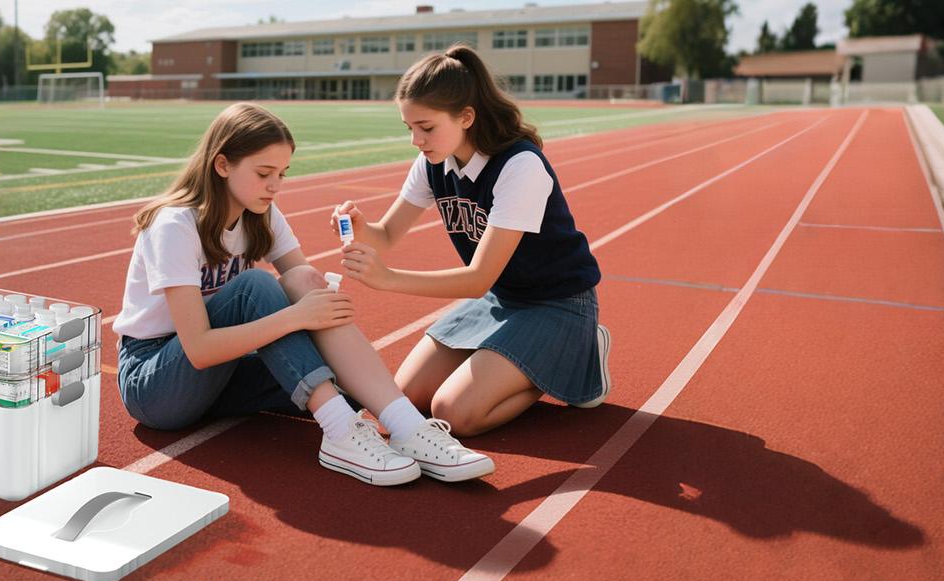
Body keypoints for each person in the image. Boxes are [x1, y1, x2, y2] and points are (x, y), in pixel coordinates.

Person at [113, 103, 494, 486]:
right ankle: (340, 433)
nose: (275, 186)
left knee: (345, 378)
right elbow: (198, 349)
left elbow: (304, 284)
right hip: (157, 381)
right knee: (256, 287)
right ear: (223, 165)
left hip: (220, 375)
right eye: (264, 173)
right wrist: (298, 316)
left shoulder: (261, 214)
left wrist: (321, 304)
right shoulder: (176, 225)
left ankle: (407, 426)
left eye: (282, 174)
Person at [335, 45, 612, 437]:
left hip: (557, 303)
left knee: (455, 412)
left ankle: (573, 356)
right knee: (407, 396)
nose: (416, 140)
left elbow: (478, 278)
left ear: (466, 117)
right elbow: (387, 235)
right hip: (502, 298)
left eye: (426, 127)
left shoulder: (520, 165)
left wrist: (388, 278)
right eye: (409, 127)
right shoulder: (432, 163)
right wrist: (361, 227)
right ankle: (521, 361)